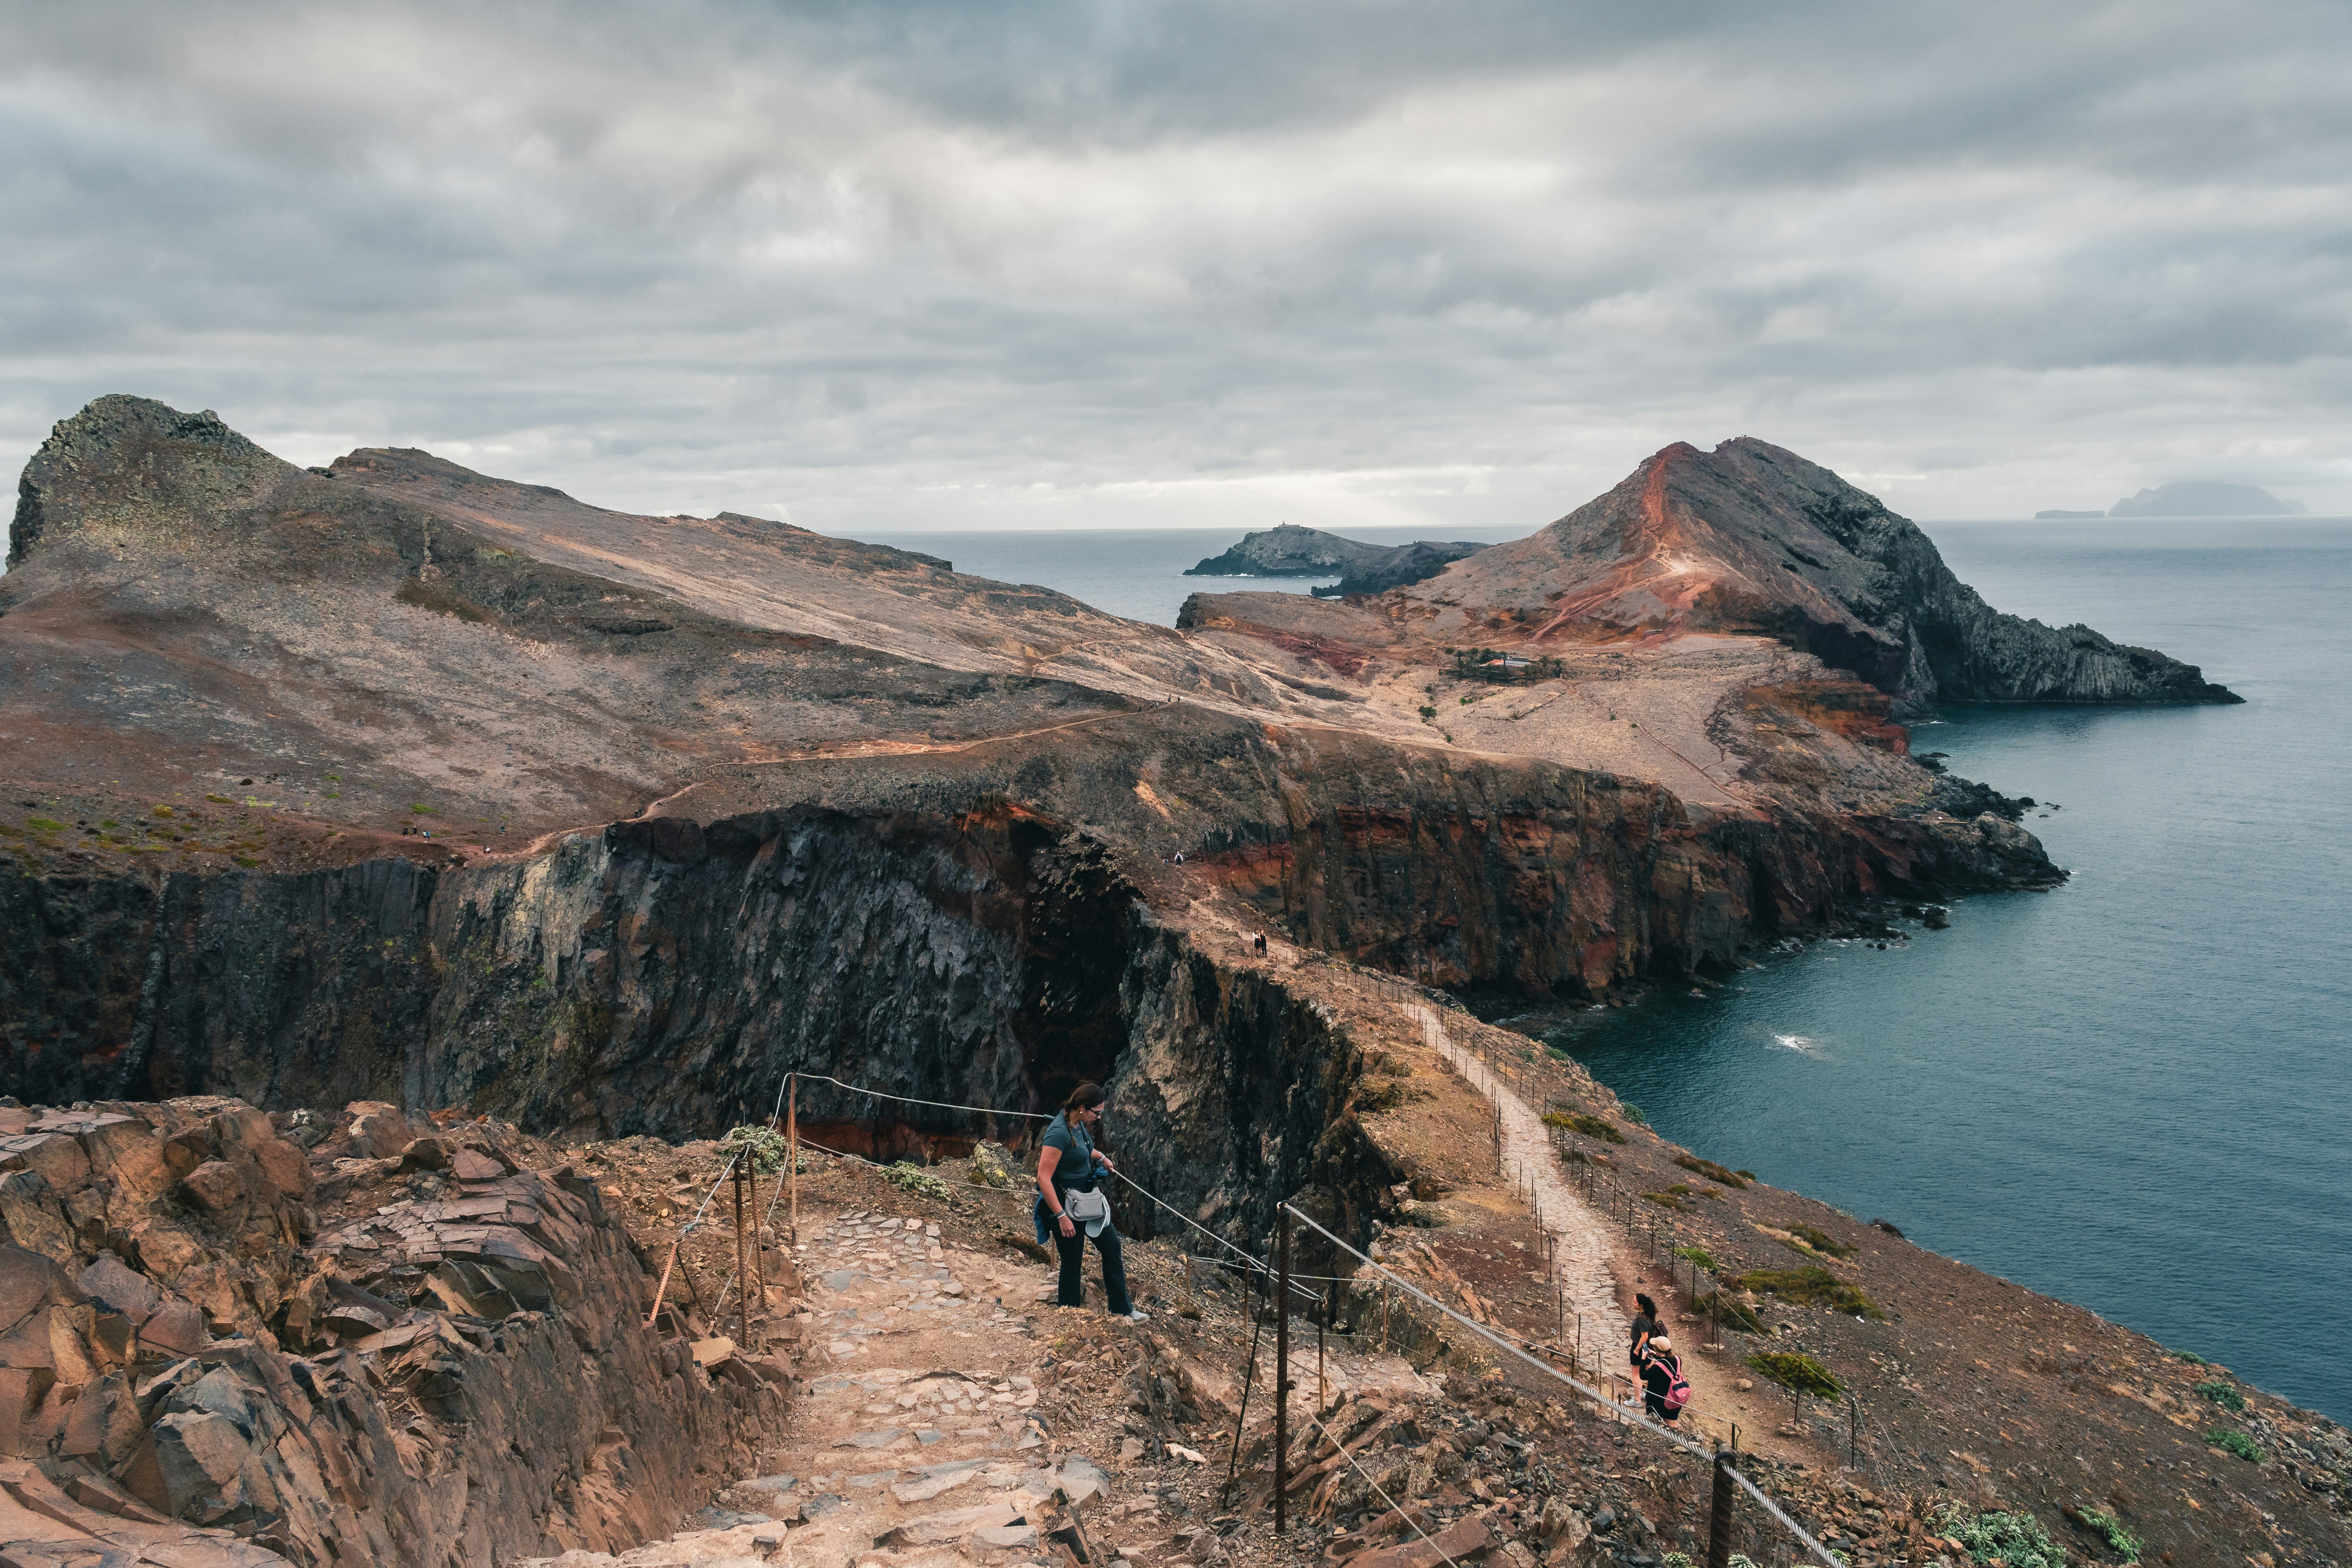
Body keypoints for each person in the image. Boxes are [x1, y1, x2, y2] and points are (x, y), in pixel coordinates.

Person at [1035, 1083, 1145, 1321]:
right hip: (1065, 1206)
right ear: (1083, 1108)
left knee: (1112, 1247)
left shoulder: (1078, 1124)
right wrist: (1061, 1217)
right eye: (1097, 1112)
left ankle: (1123, 1310)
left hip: (1087, 1201)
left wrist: (1102, 1157)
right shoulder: (1058, 1132)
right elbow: (1043, 1177)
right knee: (1072, 1261)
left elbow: (1084, 1151)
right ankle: (1069, 1316)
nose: (1099, 1117)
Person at [1639, 1332, 1686, 1425]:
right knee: (1670, 1425)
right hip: (1674, 1398)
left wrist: (1643, 1359)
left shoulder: (1657, 1367)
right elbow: (1667, 1363)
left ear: (1656, 1349)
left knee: (1654, 1425)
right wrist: (1656, 1356)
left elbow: (1643, 1376)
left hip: (1657, 1400)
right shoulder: (1678, 1360)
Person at [1629, 1292, 1659, 1372]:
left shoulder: (1642, 1319)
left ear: (1641, 1305)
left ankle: (1637, 1385)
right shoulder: (1648, 1315)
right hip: (1647, 1346)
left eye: (1635, 1302)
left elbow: (1645, 1336)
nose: (1633, 1303)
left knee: (1636, 1372)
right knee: (1647, 1367)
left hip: (1639, 1346)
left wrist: (1637, 1350)